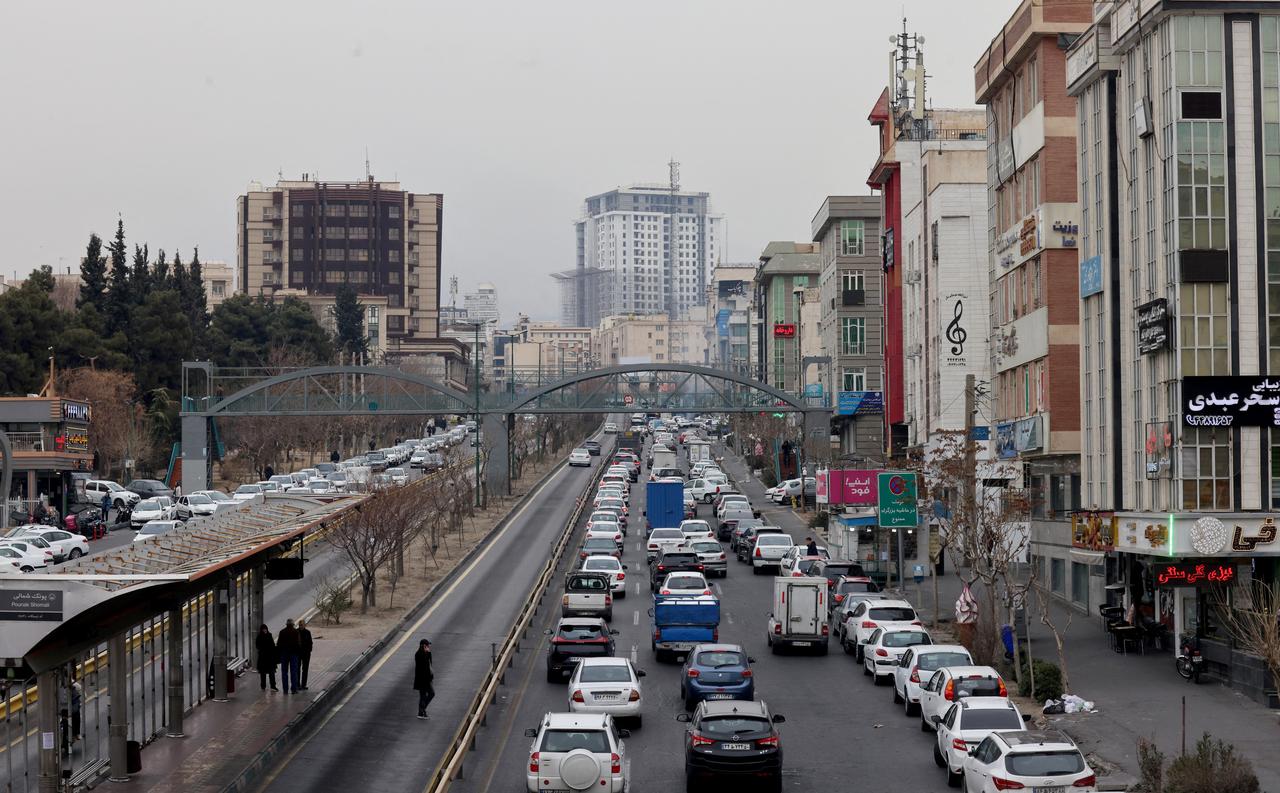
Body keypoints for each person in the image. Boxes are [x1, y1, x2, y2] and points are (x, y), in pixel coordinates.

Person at [277, 618, 301, 694]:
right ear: (293, 625)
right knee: (294, 671)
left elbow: (278, 644)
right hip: (294, 654)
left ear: (286, 625)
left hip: (284, 654)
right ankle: (294, 689)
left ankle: (285, 689)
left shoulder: (282, 632)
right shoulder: (296, 632)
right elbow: (299, 644)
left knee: (284, 672)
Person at [413, 639, 434, 720]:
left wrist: (428, 653)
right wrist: (428, 653)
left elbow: (430, 663)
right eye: (427, 645)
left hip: (426, 679)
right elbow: (424, 666)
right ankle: (422, 711)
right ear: (423, 645)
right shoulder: (418, 654)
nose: (429, 647)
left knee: (424, 696)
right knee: (430, 694)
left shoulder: (425, 653)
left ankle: (421, 712)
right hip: (422, 680)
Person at [255, 624, 278, 692]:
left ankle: (273, 686)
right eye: (263, 629)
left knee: (272, 672)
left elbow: (273, 645)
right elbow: (257, 646)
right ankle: (263, 686)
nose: (265, 630)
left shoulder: (269, 635)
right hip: (263, 658)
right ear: (261, 630)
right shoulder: (259, 637)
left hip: (270, 658)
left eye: (265, 629)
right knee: (263, 673)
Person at [297, 619, 313, 691]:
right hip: (298, 653)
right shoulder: (296, 632)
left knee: (305, 669)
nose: (301, 626)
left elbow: (310, 642)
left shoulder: (307, 632)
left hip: (306, 654)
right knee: (297, 669)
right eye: (300, 625)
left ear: (304, 625)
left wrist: (309, 650)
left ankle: (303, 684)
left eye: (302, 625)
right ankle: (297, 684)